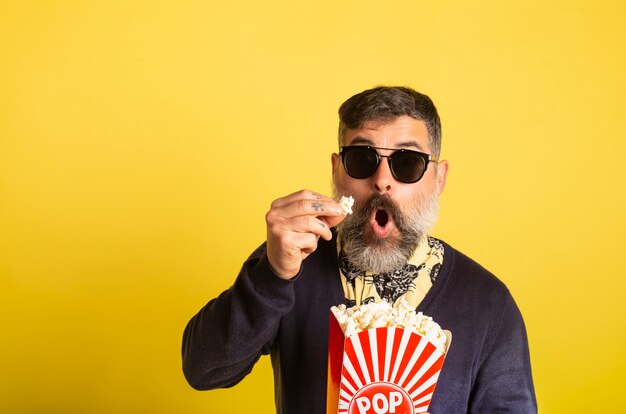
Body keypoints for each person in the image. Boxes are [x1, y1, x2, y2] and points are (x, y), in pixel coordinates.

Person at [182, 86, 537, 413]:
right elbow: (204, 370)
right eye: (363, 159)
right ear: (337, 171)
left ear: (438, 179)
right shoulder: (292, 262)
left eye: (407, 163)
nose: (382, 180)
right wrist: (272, 276)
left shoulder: (487, 303)